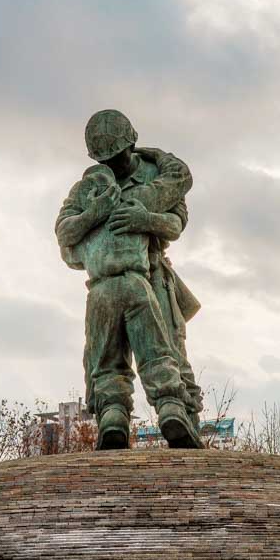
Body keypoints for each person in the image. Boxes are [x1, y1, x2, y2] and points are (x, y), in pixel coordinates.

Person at [56, 110, 204, 450]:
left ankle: (183, 422)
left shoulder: (153, 175)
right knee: (105, 356)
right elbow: (67, 245)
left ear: (132, 146)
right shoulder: (90, 186)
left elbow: (175, 225)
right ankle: (114, 419)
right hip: (111, 281)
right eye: (105, 159)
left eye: (118, 156)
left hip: (152, 275)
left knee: (168, 355)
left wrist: (144, 218)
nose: (114, 165)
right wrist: (95, 216)